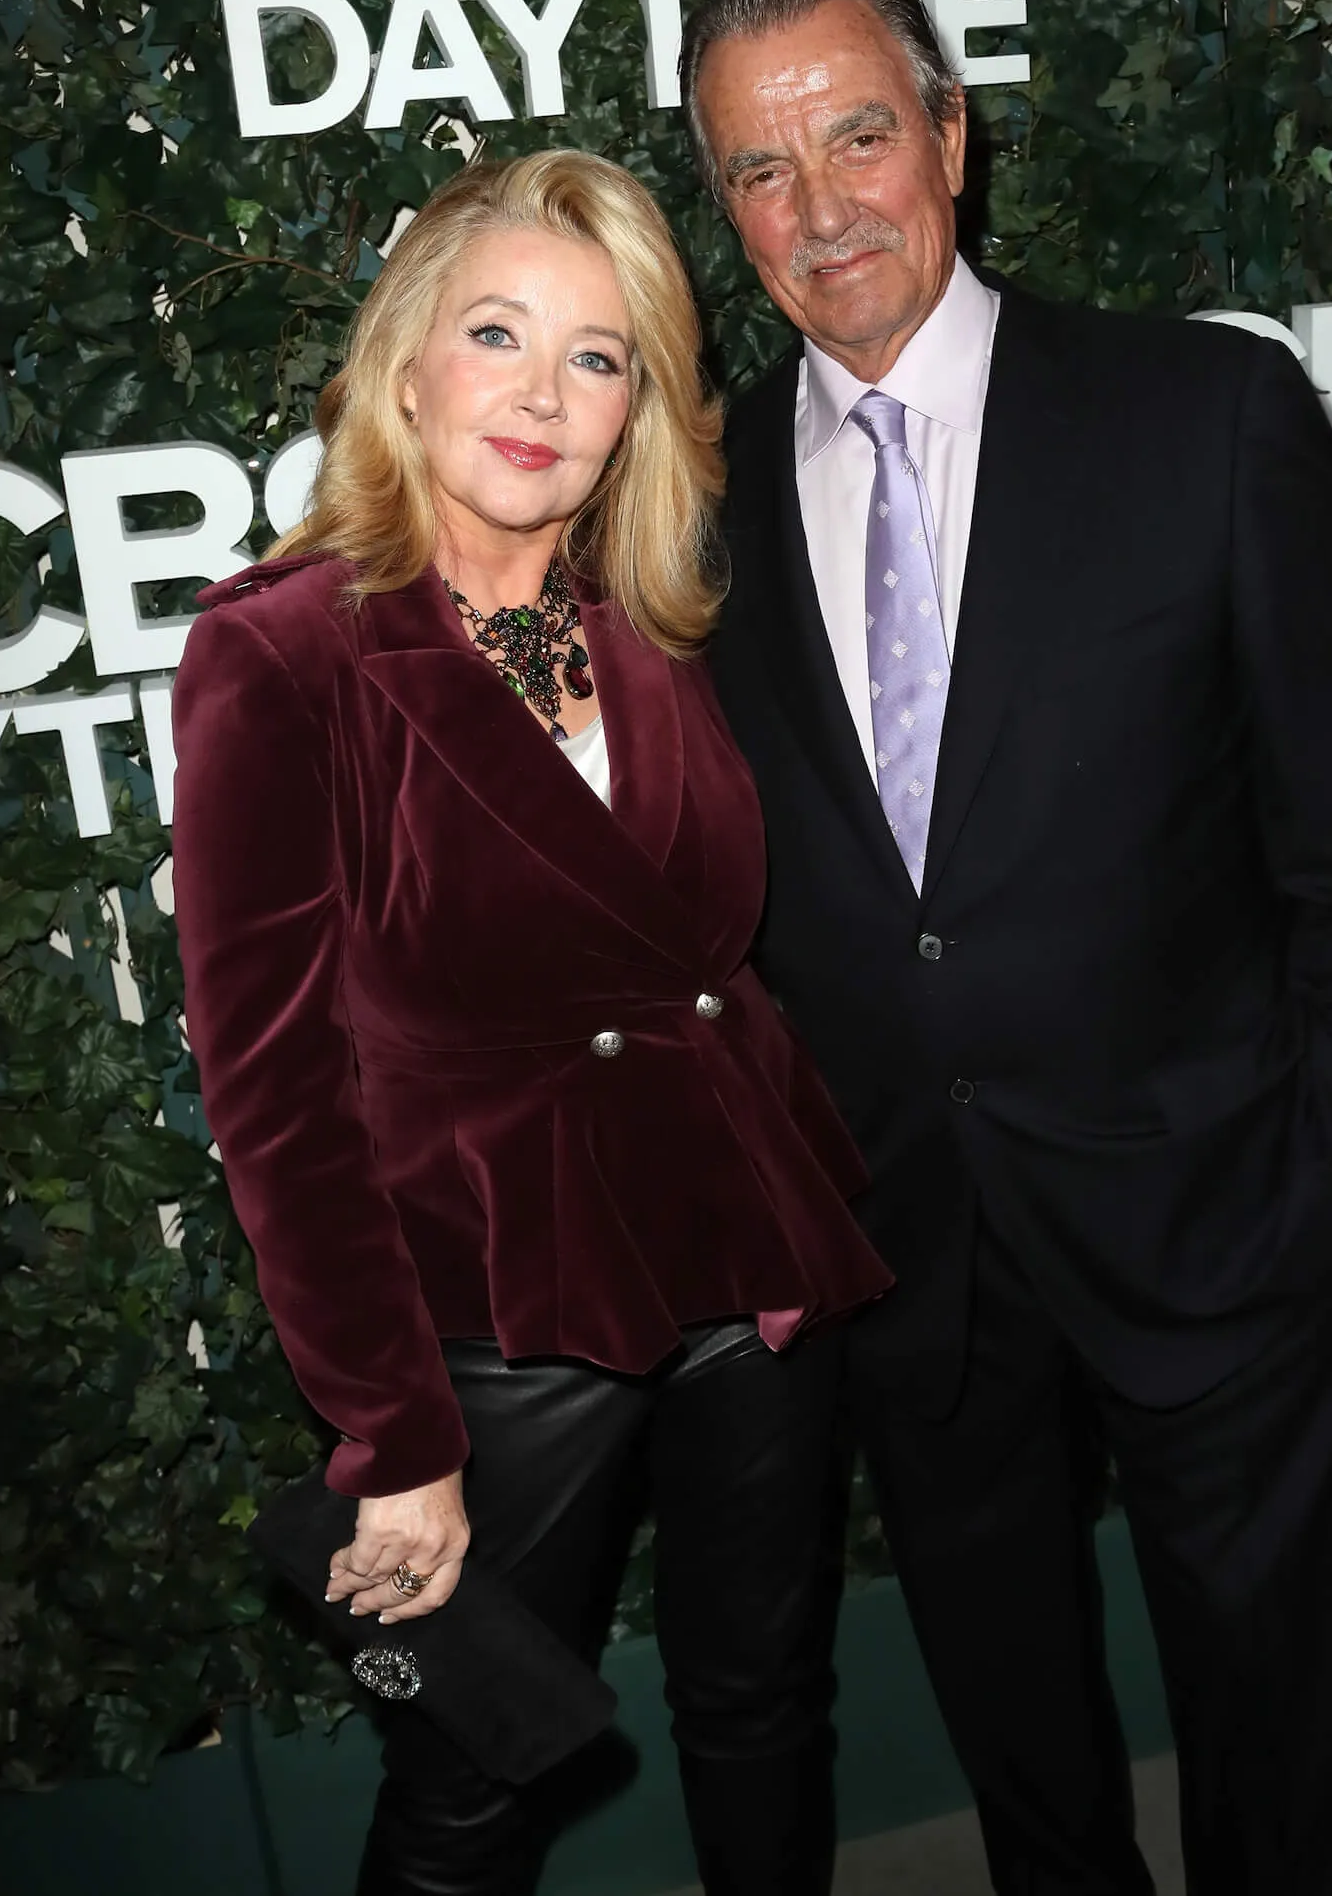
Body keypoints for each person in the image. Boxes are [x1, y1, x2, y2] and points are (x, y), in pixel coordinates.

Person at [681, 0, 1332, 1896]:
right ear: (723, 206)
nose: (824, 203)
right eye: (763, 169)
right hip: (915, 1258)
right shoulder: (689, 503)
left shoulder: (1205, 413)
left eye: (861, 133)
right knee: (1028, 1761)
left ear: (952, 135)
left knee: (1286, 1739)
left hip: (1227, 1219)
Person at [169, 149, 891, 1896]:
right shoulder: (285, 655)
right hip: (502, 1314)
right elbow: (275, 1104)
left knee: (764, 1700)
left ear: (639, 404)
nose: (544, 394)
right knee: (472, 1770)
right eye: (499, 333)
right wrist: (390, 1438)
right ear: (406, 364)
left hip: (745, 1265)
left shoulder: (658, 616)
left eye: (599, 355)